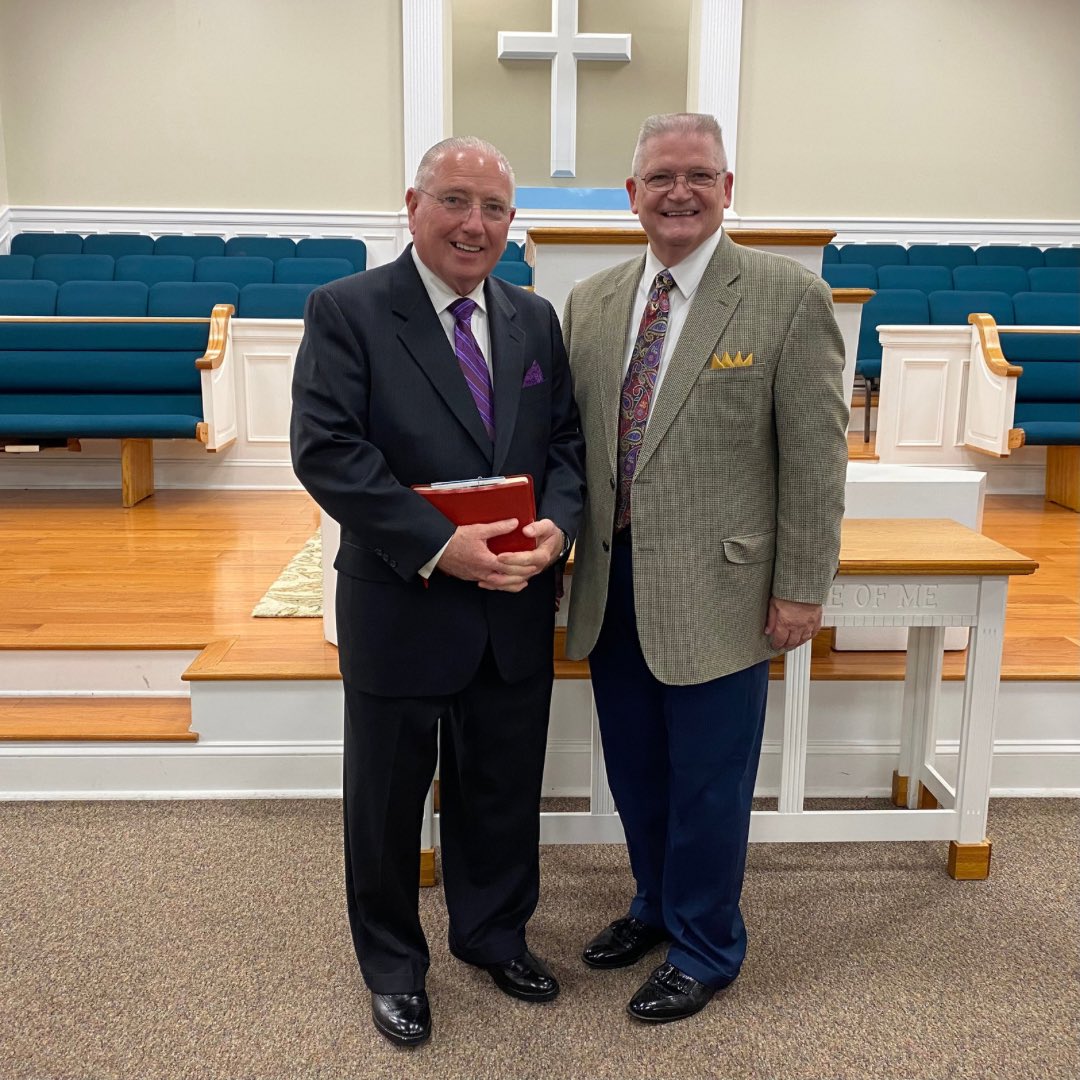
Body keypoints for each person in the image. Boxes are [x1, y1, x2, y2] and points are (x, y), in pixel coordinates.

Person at [291, 136, 585, 1048]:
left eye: (494, 208)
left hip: (513, 601)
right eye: (456, 201)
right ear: (412, 204)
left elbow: (567, 445)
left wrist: (560, 529)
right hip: (401, 599)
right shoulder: (347, 309)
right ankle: (392, 967)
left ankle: (495, 934)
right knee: (385, 801)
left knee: (501, 785)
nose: (475, 224)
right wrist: (438, 546)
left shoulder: (534, 318)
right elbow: (329, 452)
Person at [562, 113, 848, 1023]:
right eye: (659, 177)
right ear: (631, 193)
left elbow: (815, 459)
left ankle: (708, 944)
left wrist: (802, 586)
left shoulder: (785, 297)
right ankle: (655, 906)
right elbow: (578, 447)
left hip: (724, 590)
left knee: (709, 782)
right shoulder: (596, 303)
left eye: (698, 175)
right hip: (613, 587)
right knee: (637, 771)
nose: (678, 192)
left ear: (728, 188)